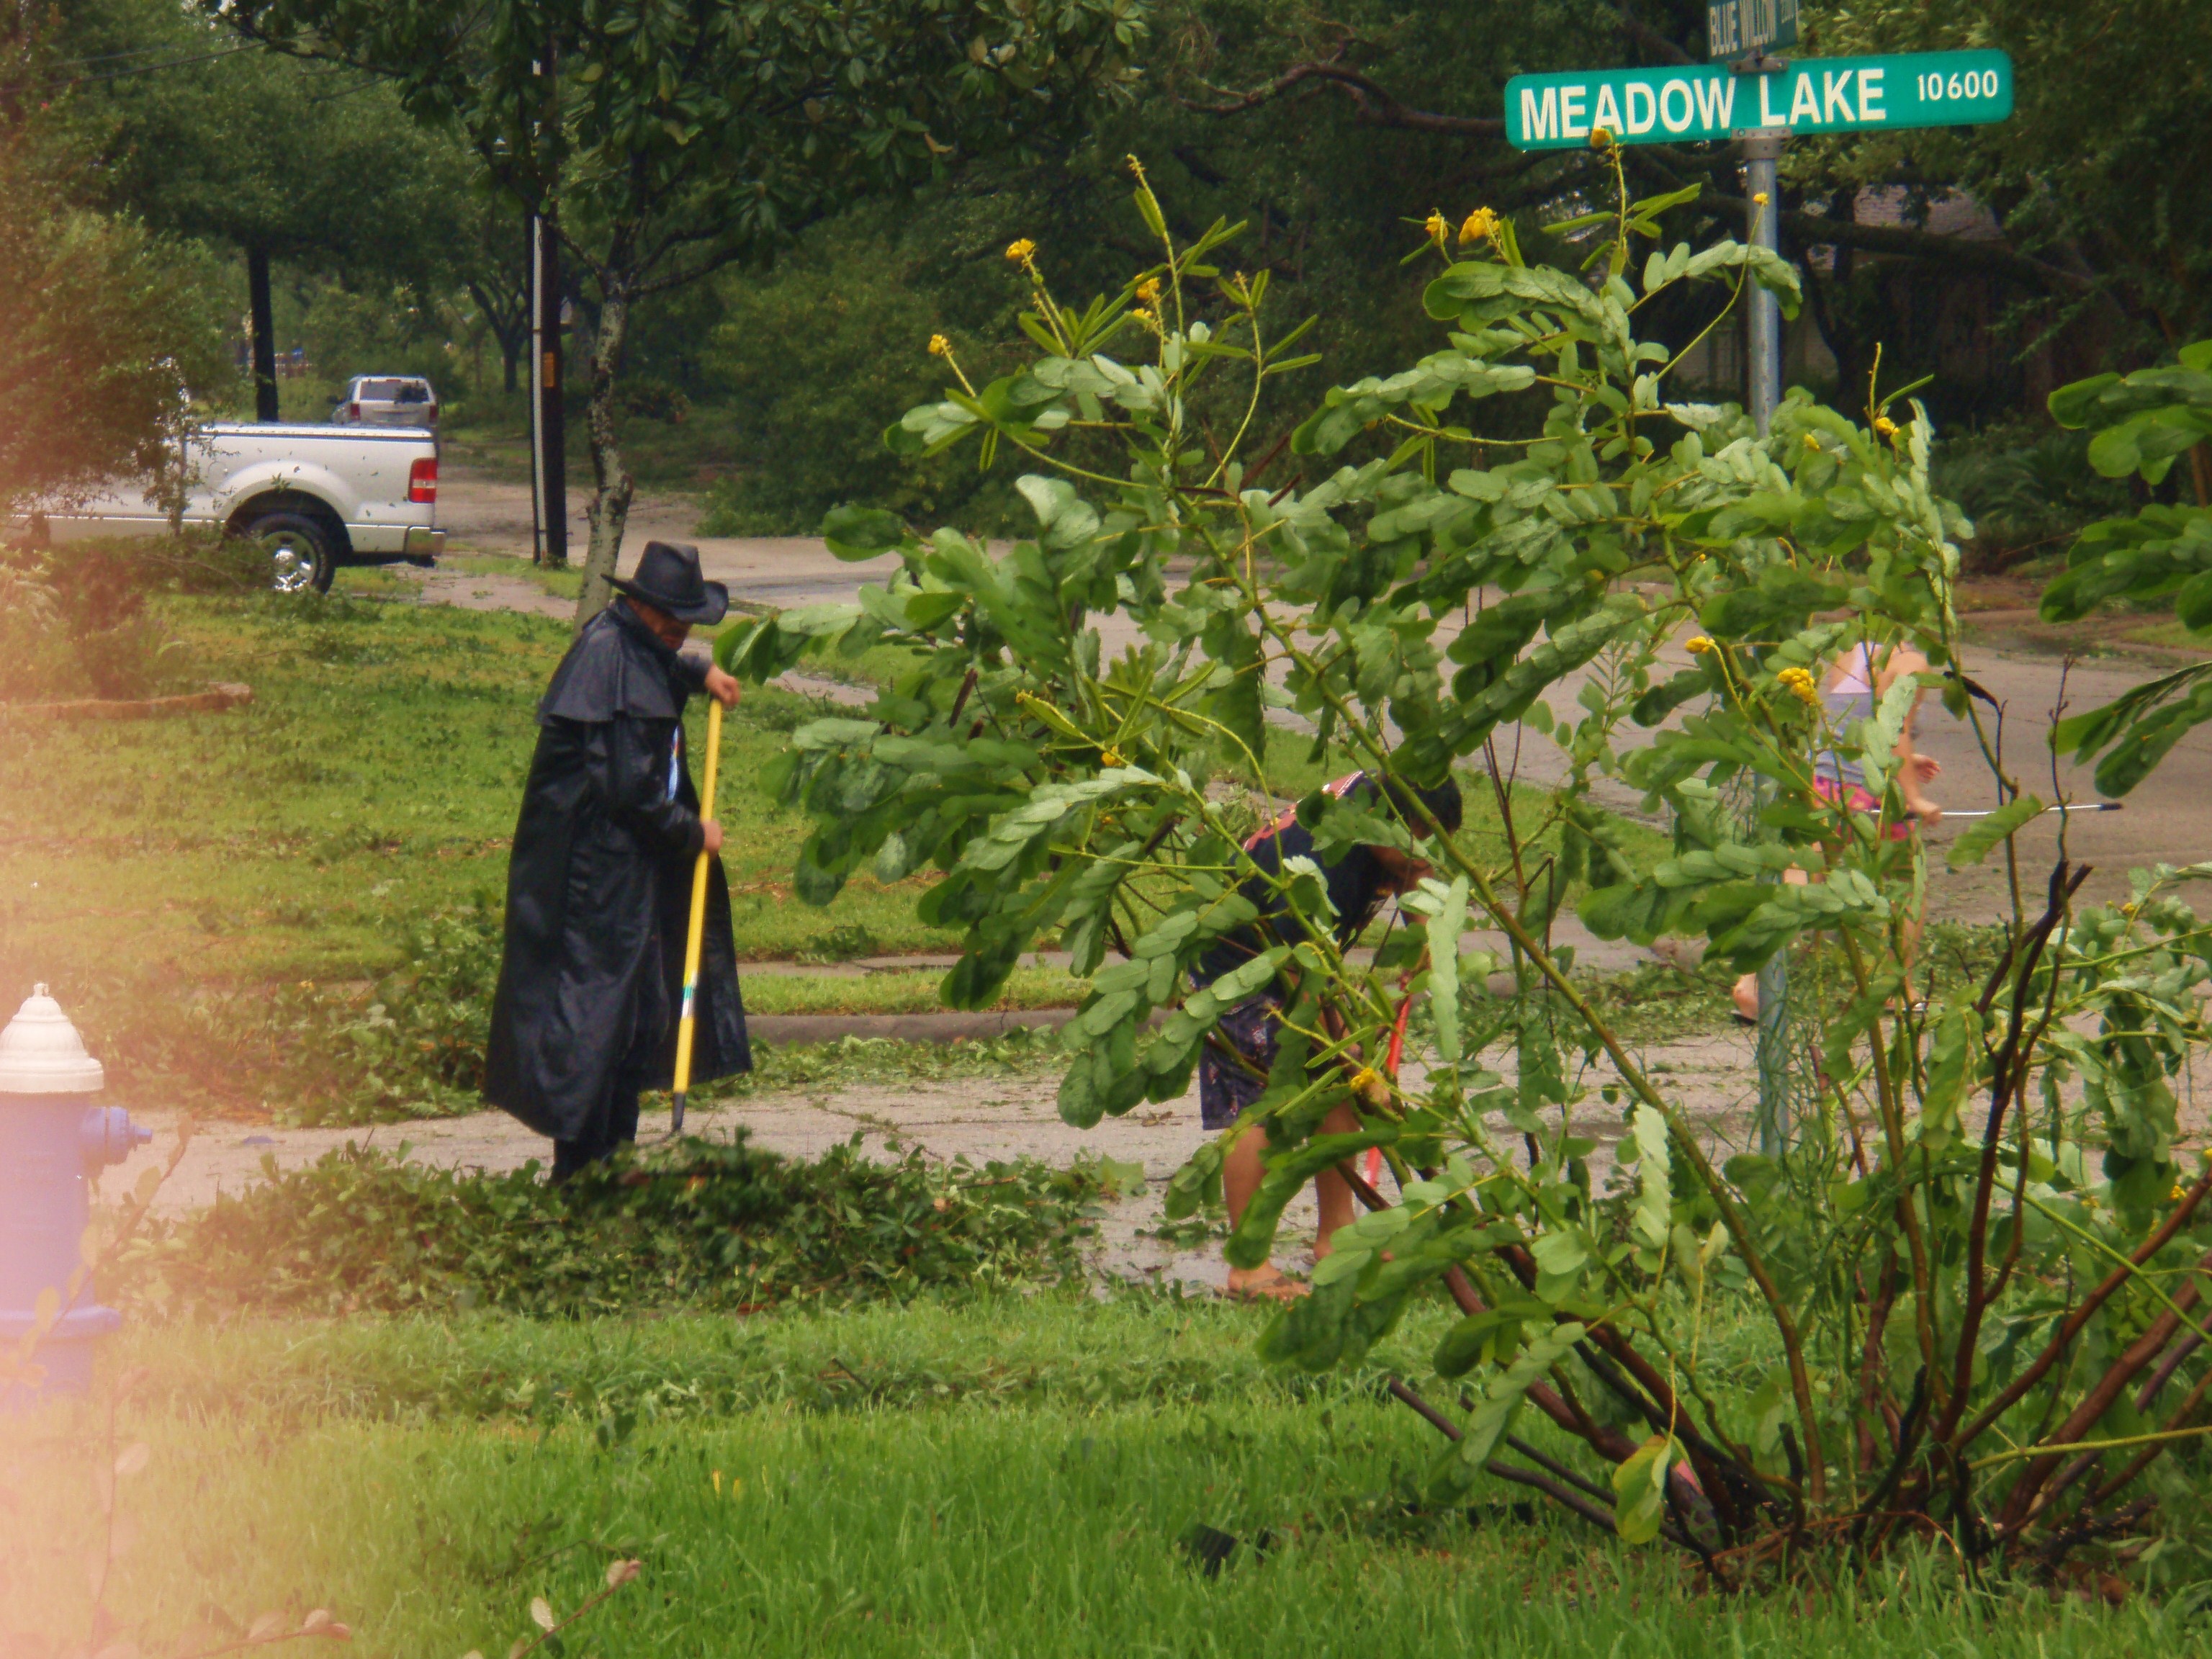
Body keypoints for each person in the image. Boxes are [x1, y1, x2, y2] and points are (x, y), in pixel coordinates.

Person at [485, 541, 753, 1178]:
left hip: (618, 870)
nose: (681, 629)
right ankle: (583, 1175)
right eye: (673, 618)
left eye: (689, 621)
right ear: (640, 604)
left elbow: (656, 664)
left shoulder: (631, 642)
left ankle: (615, 1164)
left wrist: (697, 671)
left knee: (637, 1012)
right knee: (597, 1020)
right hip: (592, 881)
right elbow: (629, 791)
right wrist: (693, 833)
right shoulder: (609, 657)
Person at [1193, 770, 1465, 1301]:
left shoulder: (1381, 806)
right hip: (1239, 968)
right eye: (1414, 844)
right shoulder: (1325, 859)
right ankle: (1249, 1267)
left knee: (1339, 1086)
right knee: (1262, 1104)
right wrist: (1345, 1052)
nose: (1422, 858)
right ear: (1382, 822)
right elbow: (1304, 975)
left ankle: (1337, 1238)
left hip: (1298, 957)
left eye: (1432, 845)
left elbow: (1416, 872)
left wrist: (1424, 942)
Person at [1732, 639, 1943, 1023]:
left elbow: (1848, 728)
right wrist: (1914, 797)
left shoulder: (1851, 651)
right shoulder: (1909, 661)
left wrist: (1909, 760)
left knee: (1799, 883)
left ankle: (1752, 983)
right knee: (1907, 883)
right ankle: (1896, 986)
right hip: (1871, 794)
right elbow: (1895, 729)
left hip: (1823, 785)